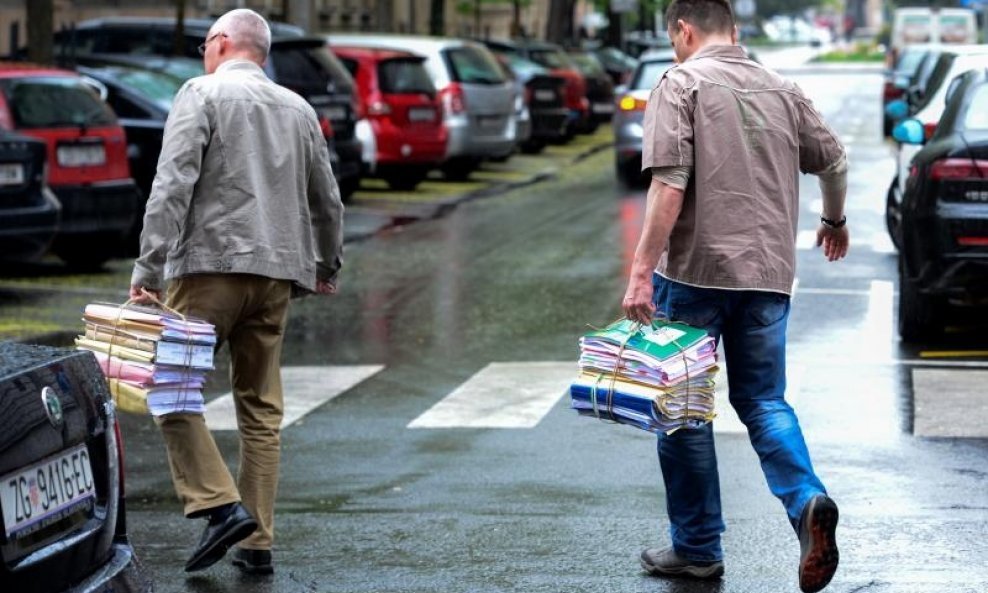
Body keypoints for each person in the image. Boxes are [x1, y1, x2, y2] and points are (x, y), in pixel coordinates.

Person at [620, 1, 848, 592]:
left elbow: (669, 182)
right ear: (736, 31)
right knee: (765, 401)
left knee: (685, 413)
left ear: (684, 30)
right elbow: (835, 159)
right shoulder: (781, 88)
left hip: (694, 274)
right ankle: (806, 502)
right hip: (768, 277)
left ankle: (696, 549)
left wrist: (642, 271)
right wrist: (834, 219)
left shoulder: (681, 83)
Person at [128, 8, 343, 575]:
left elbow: (172, 183)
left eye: (205, 42)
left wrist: (148, 269)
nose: (204, 51)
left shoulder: (200, 93)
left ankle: (219, 506)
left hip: (207, 270)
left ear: (222, 43)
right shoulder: (298, 108)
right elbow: (328, 199)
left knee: (169, 387)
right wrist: (327, 264)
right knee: (261, 409)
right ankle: (258, 543)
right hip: (277, 276)